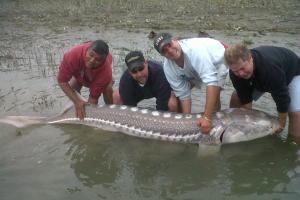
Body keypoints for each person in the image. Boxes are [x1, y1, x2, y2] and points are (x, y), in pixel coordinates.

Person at [153, 32, 228, 134]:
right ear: (162, 55)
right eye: (165, 51)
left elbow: (211, 82)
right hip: (193, 69)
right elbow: (184, 95)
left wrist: (207, 117)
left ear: (175, 40)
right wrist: (186, 121)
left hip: (218, 59)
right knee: (175, 98)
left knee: (214, 100)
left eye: (169, 45)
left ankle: (214, 131)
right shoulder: (168, 68)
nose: (170, 50)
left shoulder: (195, 50)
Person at [224, 44, 300, 137]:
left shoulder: (270, 68)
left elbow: (282, 99)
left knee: (295, 113)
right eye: (236, 71)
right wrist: (246, 126)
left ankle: (293, 144)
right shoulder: (235, 73)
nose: (240, 73)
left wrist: (281, 125)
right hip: (260, 78)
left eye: (242, 68)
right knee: (237, 96)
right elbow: (245, 98)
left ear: (250, 58)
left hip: (292, 72)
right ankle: (233, 128)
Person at [57, 40, 113, 120]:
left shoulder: (106, 72)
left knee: (108, 89)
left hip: (100, 76)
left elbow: (93, 99)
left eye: (98, 60)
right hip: (80, 69)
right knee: (73, 90)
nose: (92, 60)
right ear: (87, 50)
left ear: (103, 61)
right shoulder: (73, 55)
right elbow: (62, 81)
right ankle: (71, 114)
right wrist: (77, 102)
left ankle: (111, 114)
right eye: (91, 55)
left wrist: (90, 114)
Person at [113, 51, 179, 112]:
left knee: (172, 103)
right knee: (116, 96)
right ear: (129, 72)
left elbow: (162, 106)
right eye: (134, 71)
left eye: (141, 69)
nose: (139, 74)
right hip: (137, 94)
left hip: (158, 91)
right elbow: (130, 109)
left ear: (146, 63)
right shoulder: (125, 81)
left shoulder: (160, 72)